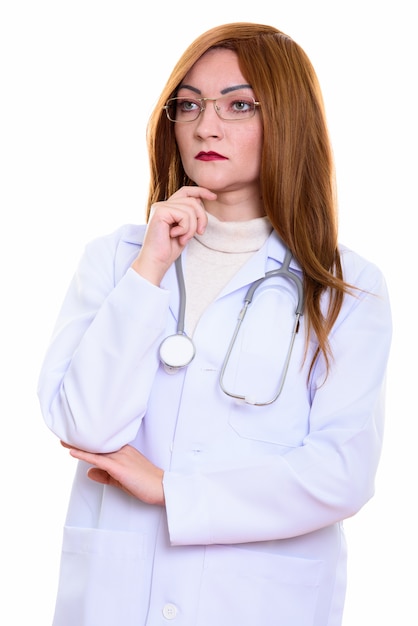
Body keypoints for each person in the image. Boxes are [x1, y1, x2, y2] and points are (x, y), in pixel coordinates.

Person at [37, 22, 392, 626]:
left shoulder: (343, 286)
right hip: (118, 598)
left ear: (286, 121)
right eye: (190, 104)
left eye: (239, 105)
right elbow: (86, 424)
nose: (206, 125)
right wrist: (150, 267)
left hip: (258, 600)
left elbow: (341, 474)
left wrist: (175, 492)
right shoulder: (118, 259)